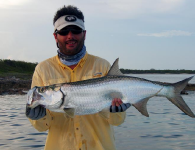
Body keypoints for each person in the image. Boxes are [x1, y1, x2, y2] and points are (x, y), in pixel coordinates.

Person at [26, 5, 130, 150]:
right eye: (64, 31)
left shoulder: (103, 65)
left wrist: (117, 112)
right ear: (55, 35)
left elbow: (118, 121)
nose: (70, 36)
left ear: (84, 34)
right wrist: (37, 117)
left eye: (76, 31)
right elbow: (42, 127)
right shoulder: (43, 69)